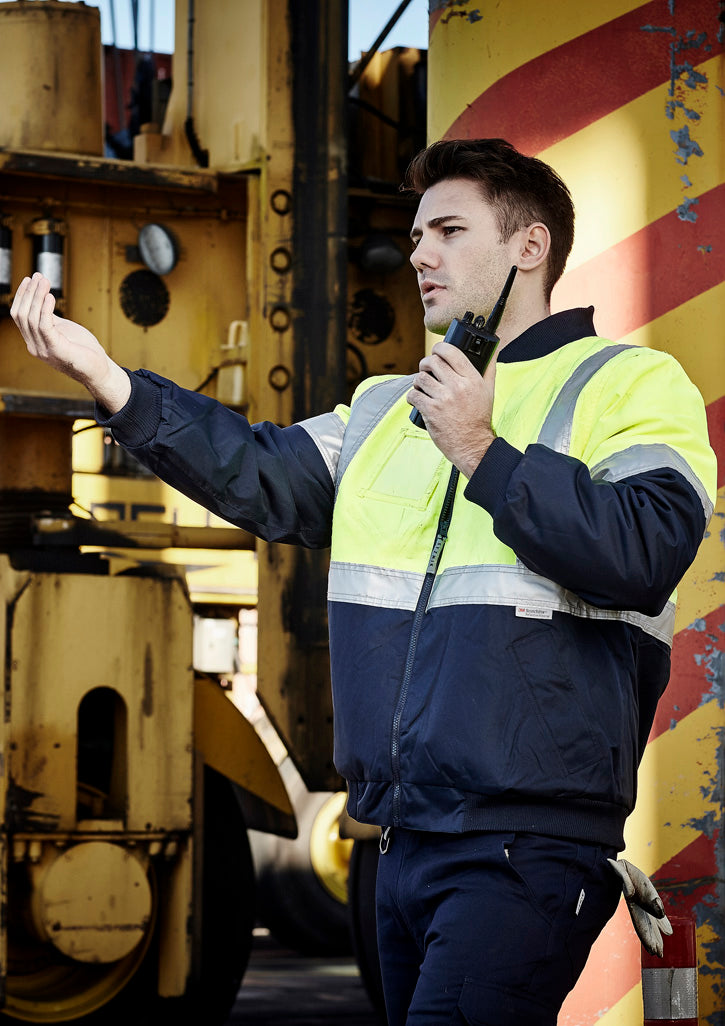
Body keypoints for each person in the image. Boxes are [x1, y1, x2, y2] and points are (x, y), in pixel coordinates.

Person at [12, 138, 716, 1025]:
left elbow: (645, 549)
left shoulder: (629, 384)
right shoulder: (389, 405)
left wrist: (481, 450)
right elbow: (256, 471)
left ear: (529, 246)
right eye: (416, 235)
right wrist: (111, 381)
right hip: (396, 841)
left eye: (449, 231)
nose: (419, 254)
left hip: (525, 841)